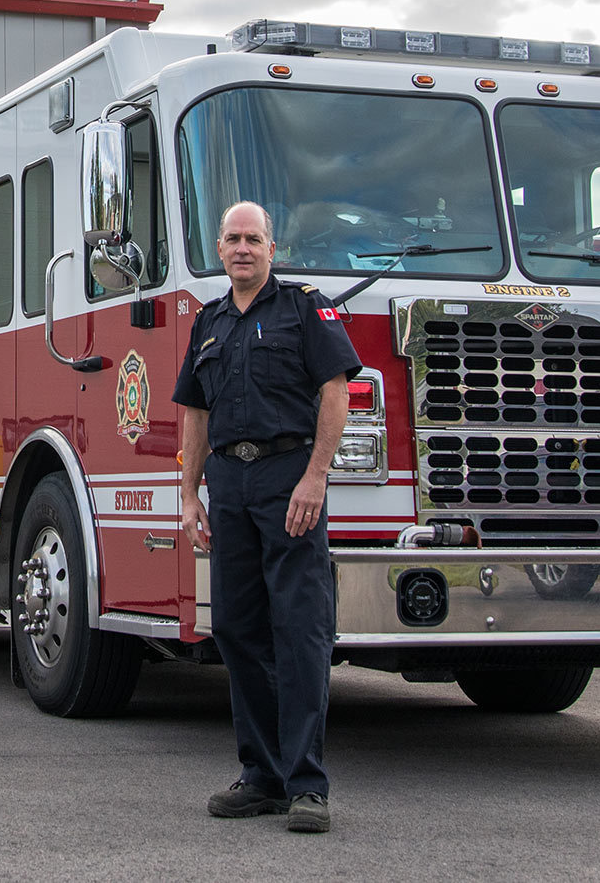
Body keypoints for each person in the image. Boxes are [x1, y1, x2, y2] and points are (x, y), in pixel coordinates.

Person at [174, 201, 359, 834]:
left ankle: (307, 784)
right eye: (233, 239)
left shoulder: (305, 307)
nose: (244, 248)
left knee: (301, 630)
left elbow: (336, 390)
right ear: (219, 250)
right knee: (234, 626)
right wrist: (188, 494)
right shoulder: (210, 323)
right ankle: (261, 777)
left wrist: (316, 476)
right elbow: (194, 412)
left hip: (289, 479)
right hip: (229, 484)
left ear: (271, 249)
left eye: (255, 239)